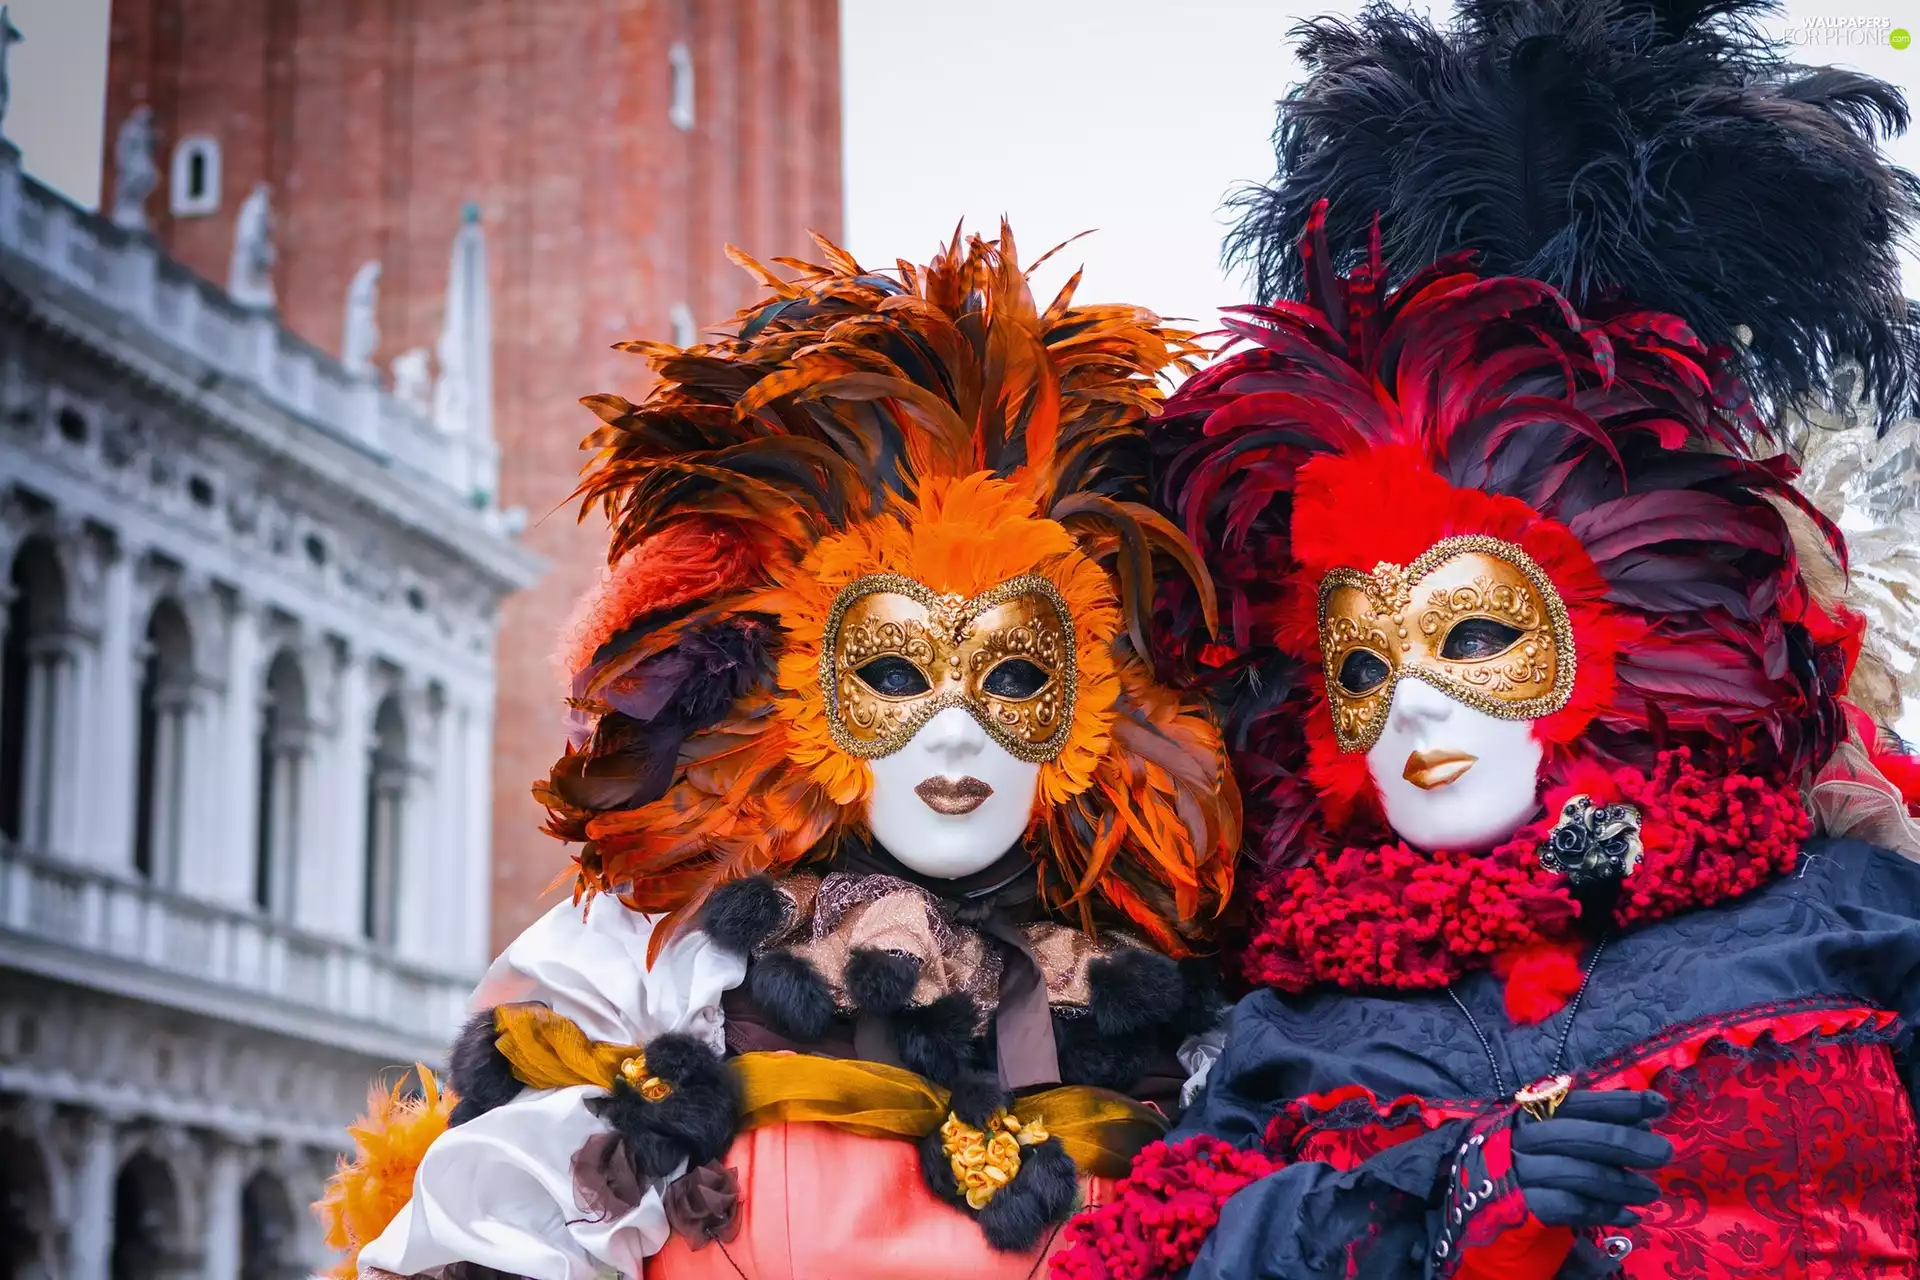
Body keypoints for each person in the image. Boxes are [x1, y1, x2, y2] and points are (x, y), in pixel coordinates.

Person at [1050, 1, 1920, 1276]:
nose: (1410, 705)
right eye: (1362, 666)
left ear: (1622, 636)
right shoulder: (1296, 1025)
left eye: (1471, 634)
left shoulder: (1848, 912)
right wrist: (1439, 1203)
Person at [316, 225, 1242, 1279]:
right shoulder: (672, 969)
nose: (956, 729)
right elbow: (511, 1224)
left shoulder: (1162, 1015)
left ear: (1092, 705)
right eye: (894, 671)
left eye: (1015, 676)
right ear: (799, 691)